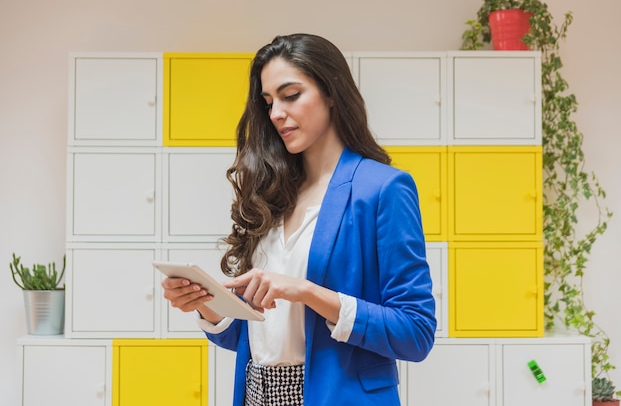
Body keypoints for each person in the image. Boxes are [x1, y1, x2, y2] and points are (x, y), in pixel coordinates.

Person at [162, 33, 436, 406]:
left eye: (290, 95)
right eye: (269, 101)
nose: (276, 113)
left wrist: (305, 291)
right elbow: (260, 337)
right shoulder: (271, 193)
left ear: (331, 93)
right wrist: (205, 302)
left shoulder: (384, 188)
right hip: (257, 394)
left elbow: (416, 333)